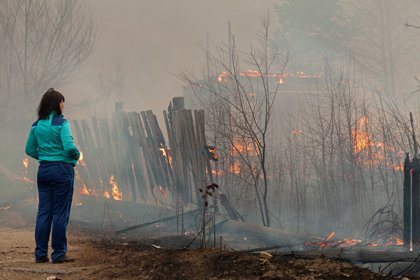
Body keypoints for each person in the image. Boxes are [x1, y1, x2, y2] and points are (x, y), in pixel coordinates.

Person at [25, 88, 80, 264]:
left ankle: (40, 254)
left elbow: (29, 149)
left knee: (44, 212)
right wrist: (76, 155)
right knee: (60, 213)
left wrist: (44, 157)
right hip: (62, 170)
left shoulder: (36, 125)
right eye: (62, 102)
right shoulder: (62, 123)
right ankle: (58, 254)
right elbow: (69, 147)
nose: (64, 105)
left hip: (44, 171)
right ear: (57, 104)